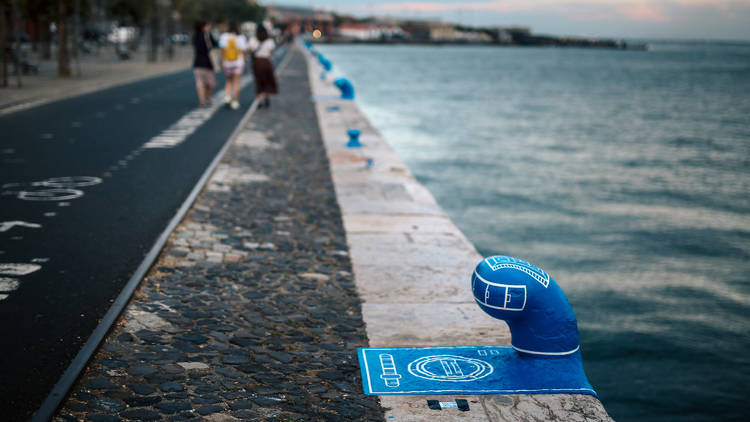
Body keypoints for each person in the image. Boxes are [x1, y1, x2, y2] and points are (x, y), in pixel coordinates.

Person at [219, 22, 248, 110]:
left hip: (227, 62)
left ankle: (227, 97)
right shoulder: (241, 37)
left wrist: (222, 61)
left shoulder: (223, 36)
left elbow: (222, 50)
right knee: (236, 82)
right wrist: (245, 62)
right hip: (238, 62)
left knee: (228, 81)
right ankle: (235, 101)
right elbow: (243, 51)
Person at [248, 24, 278, 108]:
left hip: (257, 62)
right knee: (267, 80)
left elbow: (250, 51)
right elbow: (272, 52)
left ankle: (260, 100)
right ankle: (267, 96)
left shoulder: (253, 40)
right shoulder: (269, 41)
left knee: (258, 82)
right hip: (267, 62)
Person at [192, 21, 217, 107]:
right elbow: (215, 44)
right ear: (204, 27)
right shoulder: (207, 36)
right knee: (209, 83)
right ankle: (208, 99)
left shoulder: (195, 36)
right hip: (207, 63)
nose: (209, 27)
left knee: (199, 83)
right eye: (208, 25)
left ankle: (202, 101)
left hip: (197, 63)